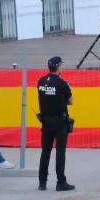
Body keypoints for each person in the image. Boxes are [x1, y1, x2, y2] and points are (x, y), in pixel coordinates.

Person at [35, 56, 74, 192]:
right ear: (58, 67)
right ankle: (61, 182)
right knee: (60, 152)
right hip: (59, 122)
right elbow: (71, 101)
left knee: (45, 152)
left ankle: (42, 182)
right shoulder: (62, 83)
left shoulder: (40, 81)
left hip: (45, 121)